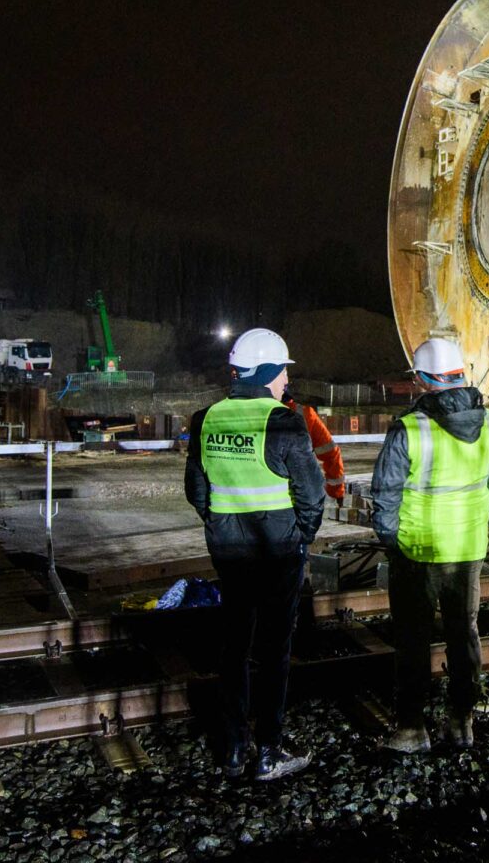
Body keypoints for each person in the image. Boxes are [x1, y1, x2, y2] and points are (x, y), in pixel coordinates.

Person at [184, 327, 325, 780]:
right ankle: (268, 752)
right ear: (266, 372)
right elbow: (311, 491)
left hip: (229, 549)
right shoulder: (283, 420)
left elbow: (196, 488)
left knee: (234, 648)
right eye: (282, 370)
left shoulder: (205, 418)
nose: (286, 378)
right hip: (278, 550)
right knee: (274, 651)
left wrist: (219, 523)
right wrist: (301, 535)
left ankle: (231, 751)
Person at [370, 338, 489, 753]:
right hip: (468, 549)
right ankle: (461, 721)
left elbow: (385, 496)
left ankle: (412, 728)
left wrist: (392, 540)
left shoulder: (410, 428)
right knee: (463, 634)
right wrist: (478, 524)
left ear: (421, 380)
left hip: (417, 550)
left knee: (413, 640)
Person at [281, 396, 346, 505]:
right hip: (299, 494)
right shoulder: (304, 413)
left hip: (255, 496)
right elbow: (331, 453)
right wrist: (337, 492)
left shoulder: (247, 409)